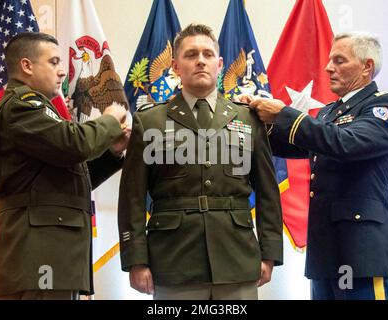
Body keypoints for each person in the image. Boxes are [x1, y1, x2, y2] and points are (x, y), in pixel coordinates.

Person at [118, 24, 283, 300]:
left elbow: (268, 191)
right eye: (191, 54)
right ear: (175, 66)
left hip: (237, 258)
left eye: (208, 54)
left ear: (219, 64)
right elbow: (132, 196)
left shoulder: (248, 118)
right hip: (173, 261)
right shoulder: (149, 121)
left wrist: (270, 252)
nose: (200, 61)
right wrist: (136, 259)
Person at [239, 31, 388, 300]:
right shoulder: (329, 112)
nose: (328, 68)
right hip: (326, 252)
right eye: (329, 61)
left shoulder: (383, 105)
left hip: (361, 252)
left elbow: (345, 143)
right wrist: (257, 120)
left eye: (339, 60)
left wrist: (284, 114)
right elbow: (297, 144)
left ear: (366, 67)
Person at [0, 32, 130, 300]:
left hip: (50, 253)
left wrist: (112, 152)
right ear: (27, 66)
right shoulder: (22, 107)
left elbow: (72, 175)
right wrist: (110, 120)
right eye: (53, 62)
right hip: (37, 254)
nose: (62, 72)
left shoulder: (37, 110)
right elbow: (74, 144)